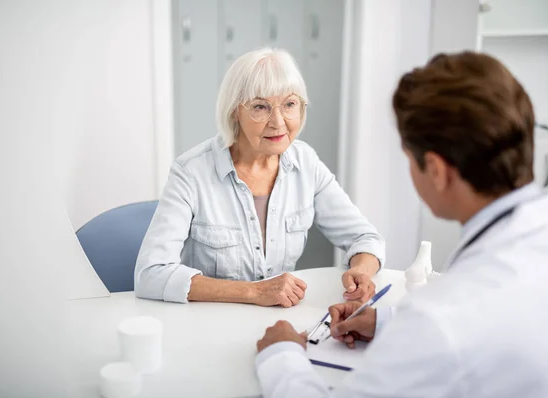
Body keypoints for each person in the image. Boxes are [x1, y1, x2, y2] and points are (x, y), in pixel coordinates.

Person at [254, 52, 548, 398]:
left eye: (409, 160)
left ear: (436, 171)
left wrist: (282, 355)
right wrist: (387, 322)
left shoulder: (439, 320)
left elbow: (455, 328)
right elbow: (508, 323)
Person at [134, 48, 385, 306]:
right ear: (234, 112)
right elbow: (150, 274)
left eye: (289, 104)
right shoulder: (191, 172)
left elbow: (365, 238)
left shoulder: (305, 163)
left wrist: (361, 271)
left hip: (278, 321)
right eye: (260, 107)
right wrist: (254, 292)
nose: (278, 122)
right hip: (209, 323)